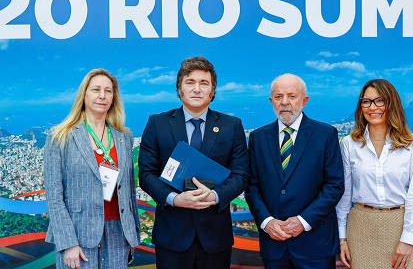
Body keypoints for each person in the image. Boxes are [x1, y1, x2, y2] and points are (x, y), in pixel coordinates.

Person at [138, 56, 249, 269]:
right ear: (180, 89)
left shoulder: (232, 125)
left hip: (215, 238)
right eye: (190, 82)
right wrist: (174, 199)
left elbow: (241, 174)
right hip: (172, 236)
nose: (197, 89)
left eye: (204, 83)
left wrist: (216, 195)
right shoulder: (157, 123)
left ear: (212, 91)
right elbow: (146, 174)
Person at [43, 69, 140, 269]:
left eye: (108, 91)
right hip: (78, 233)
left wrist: (133, 236)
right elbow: (54, 196)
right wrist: (68, 243)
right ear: (84, 94)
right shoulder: (60, 136)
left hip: (118, 233)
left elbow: (129, 191)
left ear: (114, 98)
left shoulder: (124, 137)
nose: (102, 96)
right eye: (96, 89)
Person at [245, 73, 344, 269]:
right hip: (274, 244)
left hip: (315, 245)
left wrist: (303, 221)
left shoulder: (325, 134)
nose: (285, 102)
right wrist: (267, 222)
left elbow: (334, 185)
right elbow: (252, 187)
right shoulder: (258, 137)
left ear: (304, 100)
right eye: (279, 96)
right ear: (271, 100)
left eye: (292, 96)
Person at [336, 79, 413, 269]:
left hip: (402, 228)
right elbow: (344, 195)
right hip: (361, 228)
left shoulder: (412, 144)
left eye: (380, 101)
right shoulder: (349, 144)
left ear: (391, 104)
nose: (372, 107)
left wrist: (408, 240)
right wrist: (342, 238)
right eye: (366, 101)